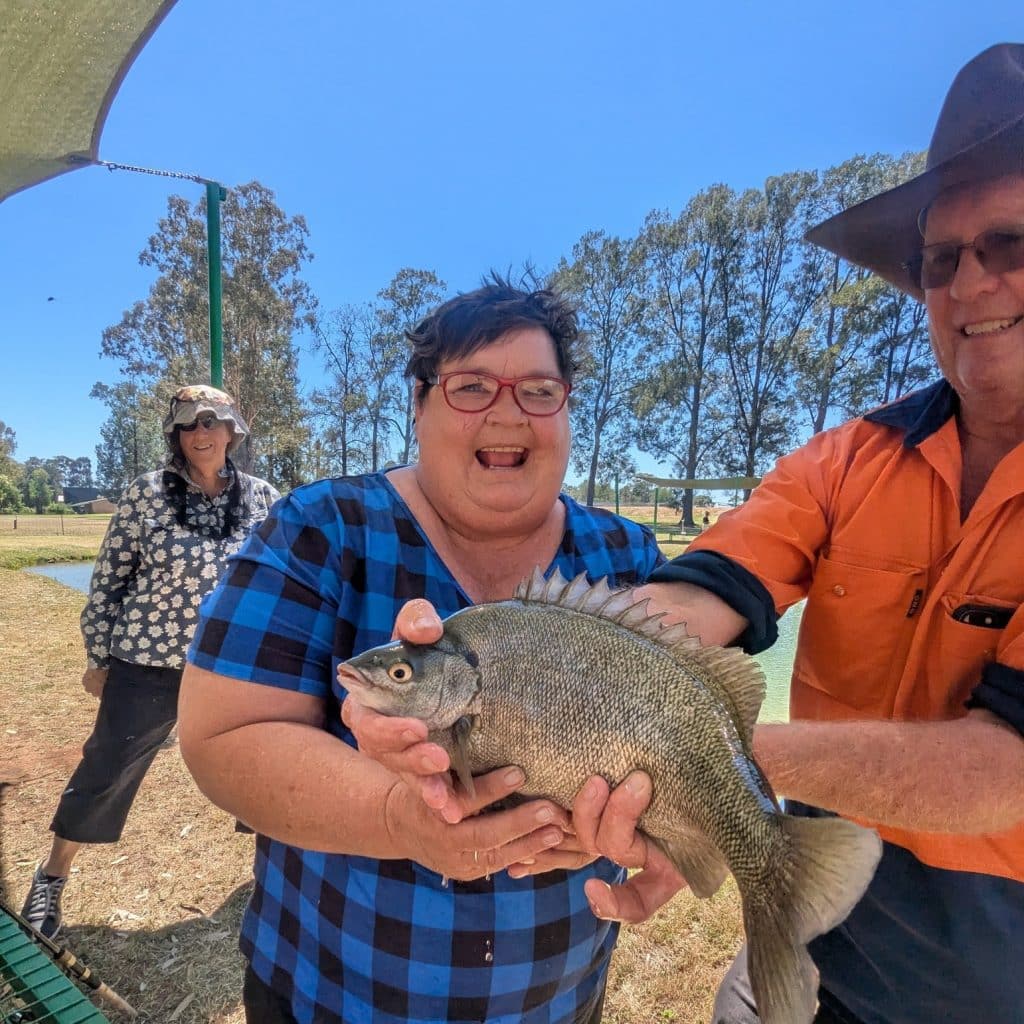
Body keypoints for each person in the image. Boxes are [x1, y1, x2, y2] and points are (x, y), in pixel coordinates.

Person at [349, 44, 1024, 1024]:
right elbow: (705, 590)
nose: (967, 285)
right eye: (938, 258)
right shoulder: (845, 458)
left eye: (1008, 244)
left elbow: (1004, 771)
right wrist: (565, 677)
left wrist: (696, 766)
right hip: (810, 952)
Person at [177, 277, 666, 1024]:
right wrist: (400, 819)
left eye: (539, 389)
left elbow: (685, 738)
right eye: (471, 387)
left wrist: (683, 835)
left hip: (560, 1002)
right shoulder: (321, 528)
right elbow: (221, 739)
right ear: (419, 404)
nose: (508, 412)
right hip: (329, 996)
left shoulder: (627, 556)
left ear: (568, 408)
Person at [21, 384, 280, 939]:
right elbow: (109, 582)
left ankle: (274, 875)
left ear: (233, 430)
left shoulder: (264, 498)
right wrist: (99, 654)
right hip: (149, 660)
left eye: (213, 422)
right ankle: (51, 876)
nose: (202, 434)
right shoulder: (146, 496)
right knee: (108, 765)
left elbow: (286, 580)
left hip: (234, 665)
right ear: (176, 435)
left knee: (260, 764)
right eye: (189, 424)